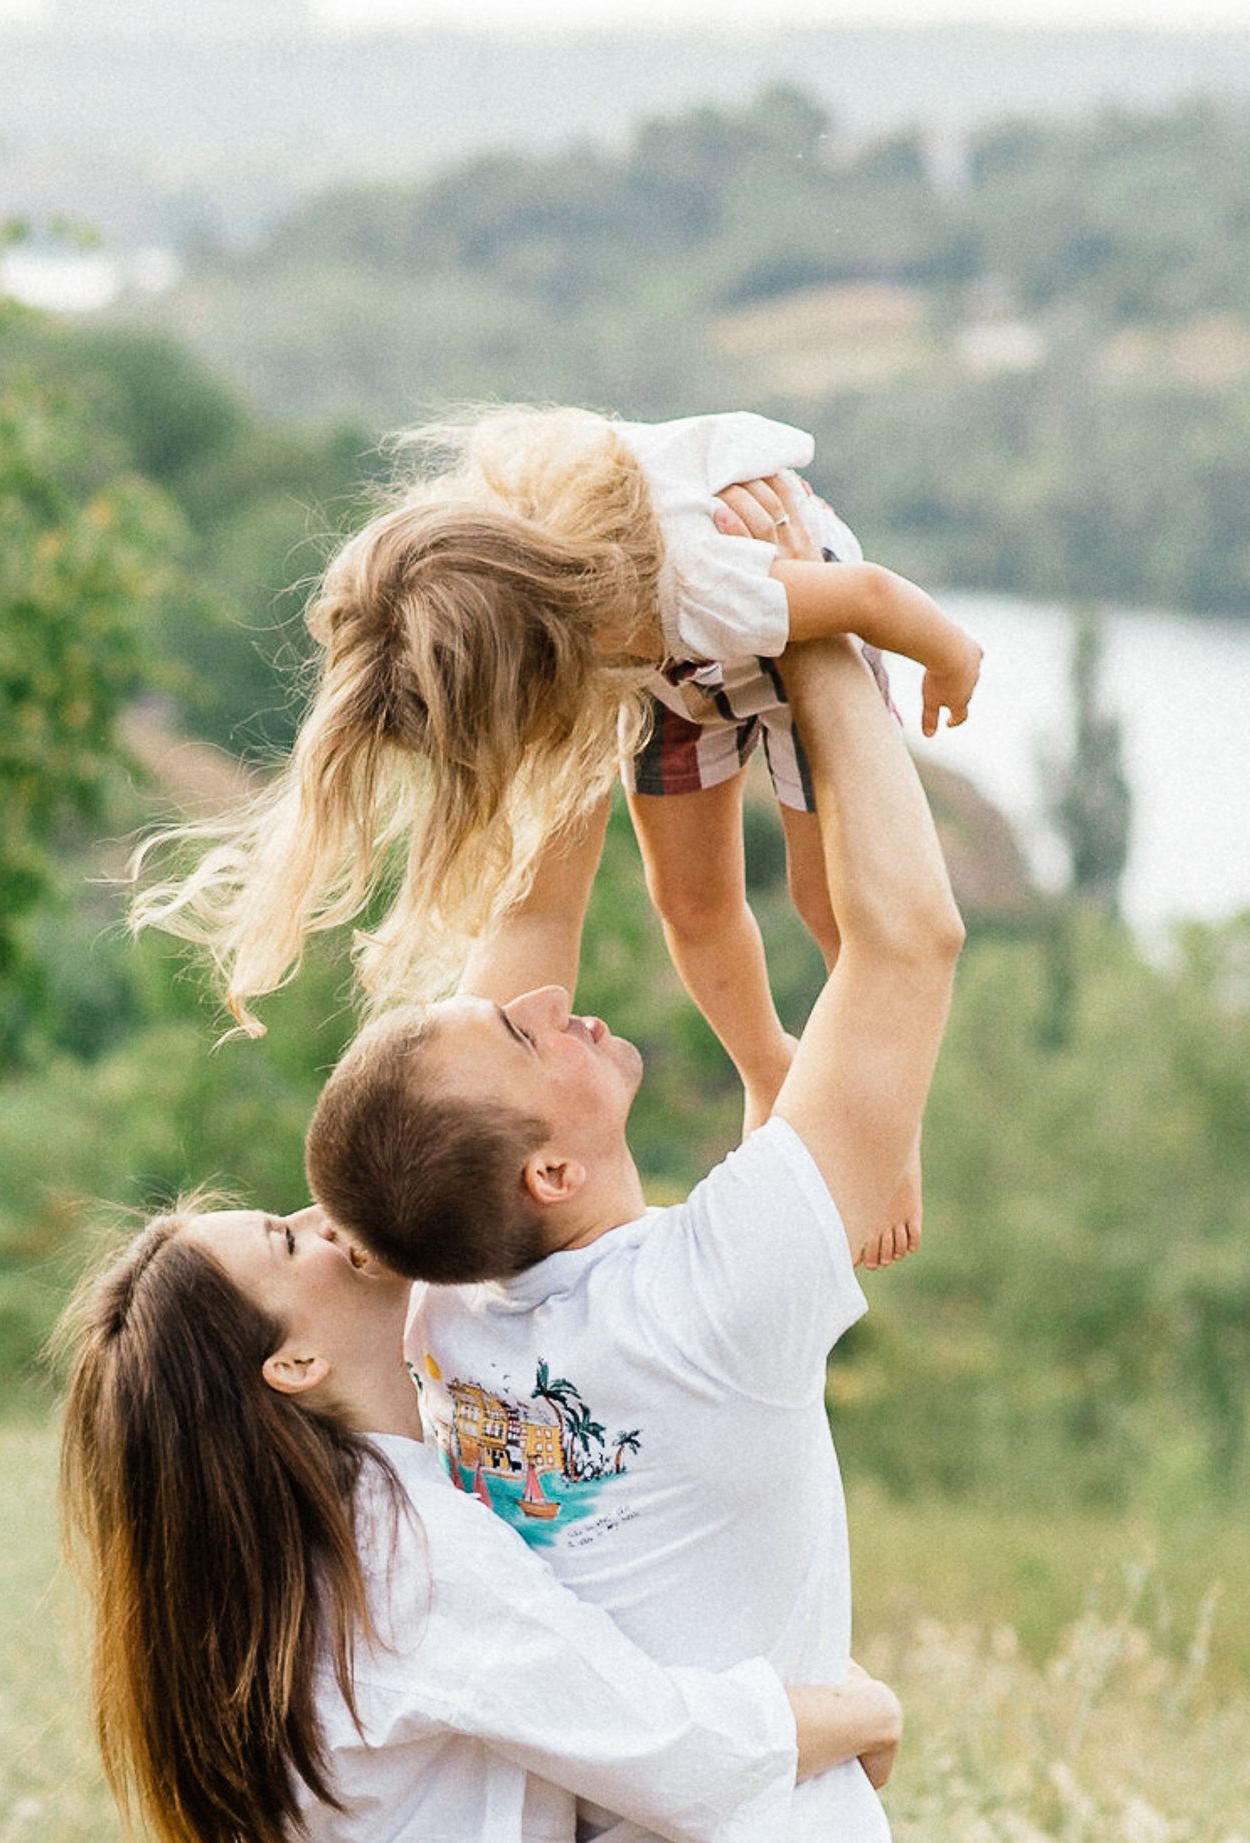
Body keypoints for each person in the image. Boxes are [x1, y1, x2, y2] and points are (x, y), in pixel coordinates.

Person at [304, 616, 965, 1843]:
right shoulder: (713, 1295)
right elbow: (912, 940)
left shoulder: (447, 1315)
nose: (550, 1002)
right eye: (519, 1036)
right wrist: (810, 630)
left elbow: (538, 902)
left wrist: (586, 647)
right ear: (545, 1175)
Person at [132, 406, 981, 1267]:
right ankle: (769, 1064)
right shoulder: (517, 600)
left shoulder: (708, 584)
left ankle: (886, 1126)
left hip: (786, 608)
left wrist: (948, 656)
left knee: (828, 899)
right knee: (690, 900)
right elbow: (545, 907)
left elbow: (871, 597)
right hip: (662, 670)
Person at [53, 1196, 905, 1843]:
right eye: (286, 1239)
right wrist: (864, 1714)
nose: (324, 1216)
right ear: (296, 1363)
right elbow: (659, 1746)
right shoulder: (402, 1556)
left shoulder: (337, 1542)